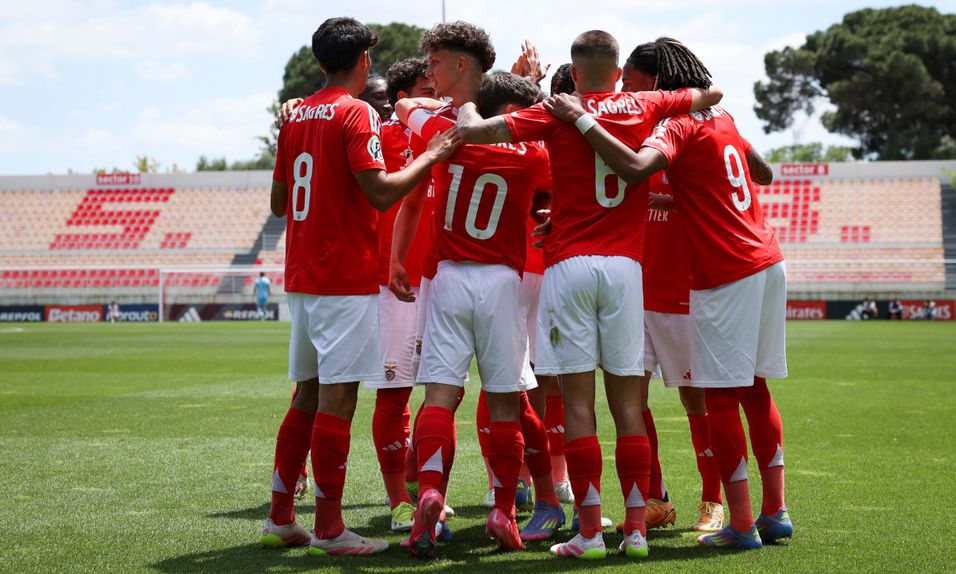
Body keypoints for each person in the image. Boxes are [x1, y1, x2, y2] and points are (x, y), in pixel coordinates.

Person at [457, 30, 722, 560]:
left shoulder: (557, 111)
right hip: (627, 269)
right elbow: (709, 97)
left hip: (570, 265)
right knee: (629, 404)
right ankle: (637, 530)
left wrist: (463, 100)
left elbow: (476, 133)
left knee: (576, 403)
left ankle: (590, 533)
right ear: (619, 70)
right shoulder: (644, 102)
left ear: (575, 74)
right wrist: (652, 107)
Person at [544, 36, 791, 550]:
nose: (626, 97)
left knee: (718, 400)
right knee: (754, 390)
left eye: (632, 86)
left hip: (723, 270)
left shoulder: (673, 126)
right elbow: (759, 171)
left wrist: (584, 121)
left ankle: (740, 523)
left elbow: (634, 168)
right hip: (765, 258)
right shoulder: (722, 120)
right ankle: (774, 511)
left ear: (656, 84)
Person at [259, 16, 458, 558]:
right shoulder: (356, 112)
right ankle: (328, 528)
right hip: (341, 277)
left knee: (308, 393)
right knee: (338, 399)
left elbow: (279, 205)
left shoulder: (297, 114)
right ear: (363, 60)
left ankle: (281, 516)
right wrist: (431, 156)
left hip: (300, 276)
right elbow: (378, 193)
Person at [395, 23, 563, 557]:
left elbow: (404, 110)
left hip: (447, 277)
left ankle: (429, 492)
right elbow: (563, 174)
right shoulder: (533, 150)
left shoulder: (440, 129)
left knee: (439, 396)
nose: (431, 74)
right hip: (503, 283)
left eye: (438, 63)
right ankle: (504, 509)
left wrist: (433, 111)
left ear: (464, 67)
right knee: (507, 403)